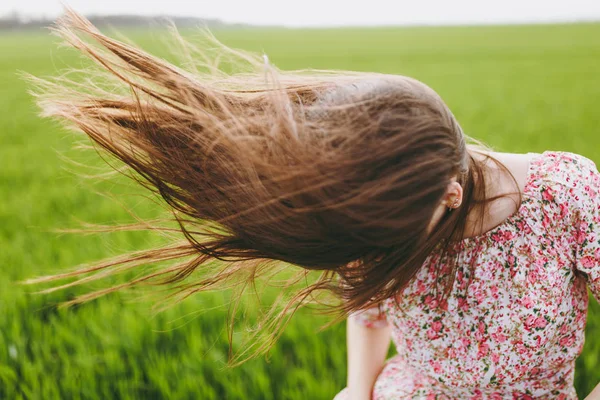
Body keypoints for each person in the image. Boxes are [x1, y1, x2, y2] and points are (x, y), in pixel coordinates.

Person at [28, 10, 600, 400]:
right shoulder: (364, 203)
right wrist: (357, 387)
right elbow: (369, 306)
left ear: (450, 195)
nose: (372, 253)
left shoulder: (565, 193)